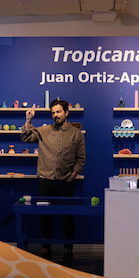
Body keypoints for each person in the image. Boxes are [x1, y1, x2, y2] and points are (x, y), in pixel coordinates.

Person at [21, 99, 86, 262]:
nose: (56, 115)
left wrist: (73, 174)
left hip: (66, 183)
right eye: (53, 112)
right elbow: (26, 138)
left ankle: (68, 249)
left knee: (67, 217)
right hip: (45, 182)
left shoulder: (76, 134)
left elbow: (81, 158)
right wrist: (28, 120)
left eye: (58, 112)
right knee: (44, 216)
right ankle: (45, 248)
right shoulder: (44, 131)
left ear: (66, 113)